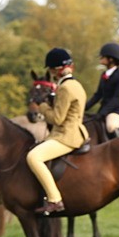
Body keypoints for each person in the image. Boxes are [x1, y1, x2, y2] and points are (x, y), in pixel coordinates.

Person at [26, 48, 88, 215]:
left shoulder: (65, 88)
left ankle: (55, 200)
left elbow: (57, 119)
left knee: (33, 157)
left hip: (66, 135)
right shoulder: (76, 84)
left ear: (55, 70)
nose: (51, 73)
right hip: (75, 131)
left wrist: (43, 106)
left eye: (51, 70)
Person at [88, 42, 119, 138]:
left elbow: (116, 98)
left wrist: (102, 113)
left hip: (116, 111)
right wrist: (84, 108)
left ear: (111, 59)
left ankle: (118, 149)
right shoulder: (104, 75)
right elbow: (98, 95)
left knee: (111, 126)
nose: (100, 58)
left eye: (103, 57)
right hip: (104, 110)